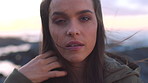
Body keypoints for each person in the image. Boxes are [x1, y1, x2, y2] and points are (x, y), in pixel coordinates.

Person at [4, 0, 143, 83]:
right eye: (60, 21)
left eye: (84, 18)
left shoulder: (124, 79)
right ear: (48, 29)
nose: (73, 30)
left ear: (98, 24)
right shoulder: (30, 79)